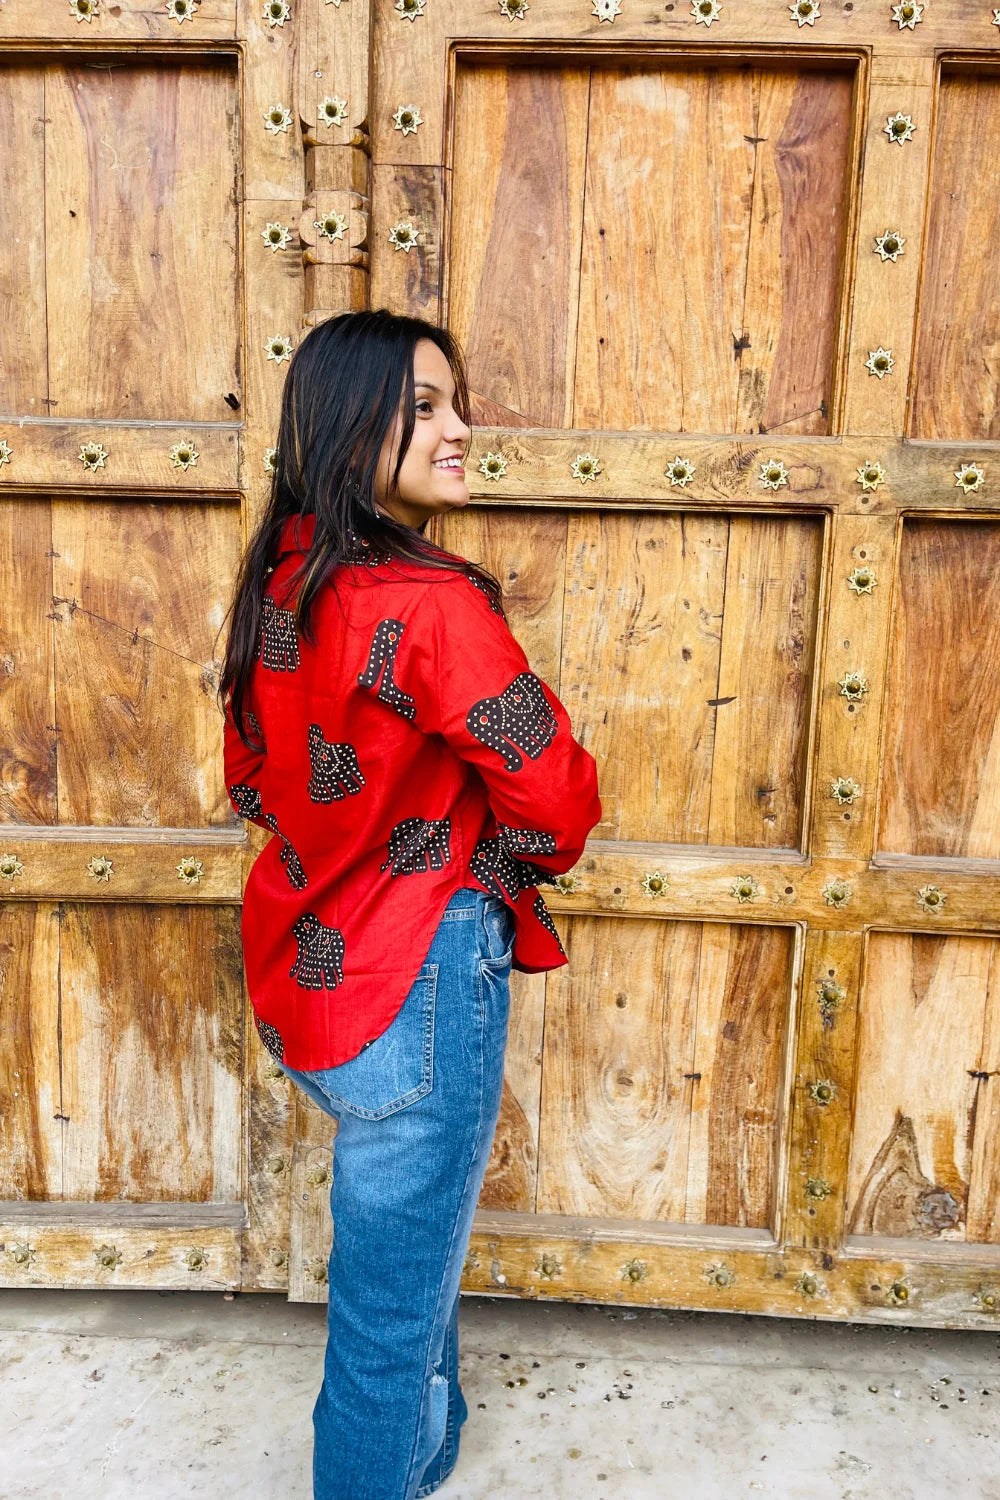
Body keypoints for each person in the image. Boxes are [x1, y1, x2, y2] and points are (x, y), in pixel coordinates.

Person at [217, 308, 602, 1500]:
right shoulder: (428, 607)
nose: (460, 430)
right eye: (424, 407)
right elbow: (557, 797)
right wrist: (494, 857)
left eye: (453, 401)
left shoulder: (280, 579)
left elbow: (249, 777)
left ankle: (422, 1457)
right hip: (419, 977)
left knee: (405, 1271)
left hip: (317, 969)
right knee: (387, 1323)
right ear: (347, 430)